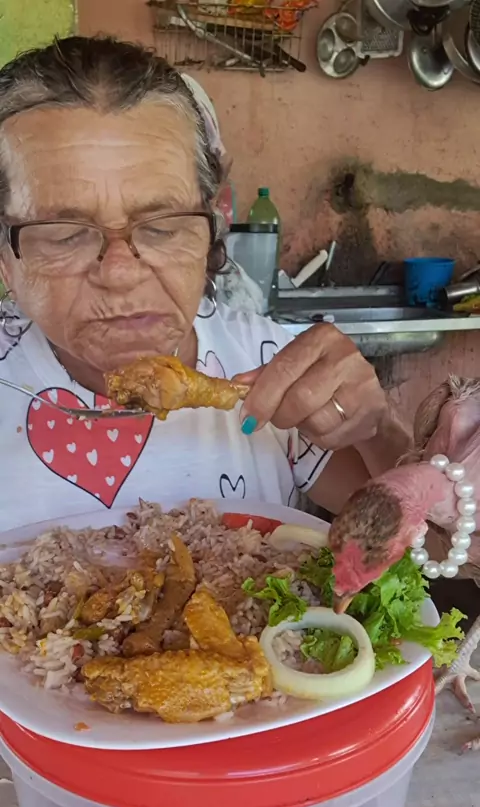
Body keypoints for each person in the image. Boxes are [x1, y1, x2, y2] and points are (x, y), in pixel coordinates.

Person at [0, 35, 398, 532]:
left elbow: (442, 549)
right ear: (5, 259)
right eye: (65, 235)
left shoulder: (273, 367)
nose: (120, 274)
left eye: (163, 227)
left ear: (212, 226)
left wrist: (378, 430)